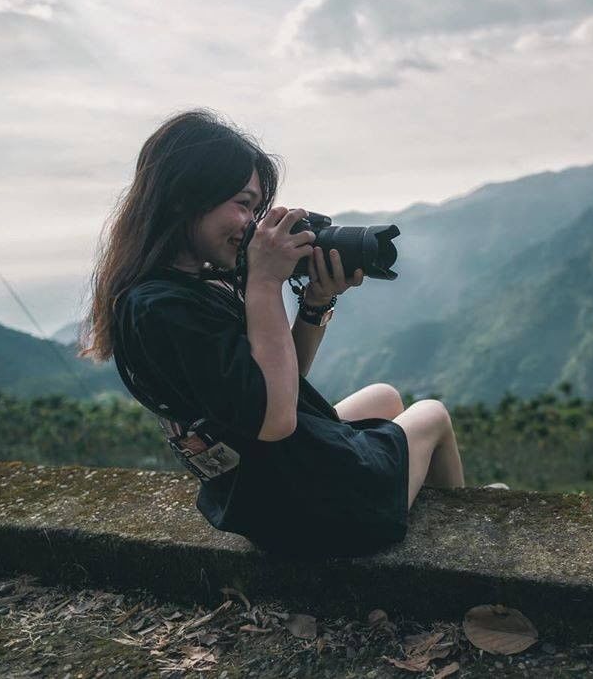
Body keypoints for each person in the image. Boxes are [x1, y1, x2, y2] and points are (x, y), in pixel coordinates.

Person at [79, 108, 466, 558]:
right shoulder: (164, 309)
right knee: (432, 414)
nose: (251, 224)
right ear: (186, 196)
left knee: (384, 397)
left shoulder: (179, 288)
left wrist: (316, 302)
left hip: (261, 493)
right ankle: (456, 546)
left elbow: (279, 385)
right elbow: (276, 421)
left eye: (256, 208)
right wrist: (264, 283)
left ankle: (410, 488)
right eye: (243, 204)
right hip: (310, 511)